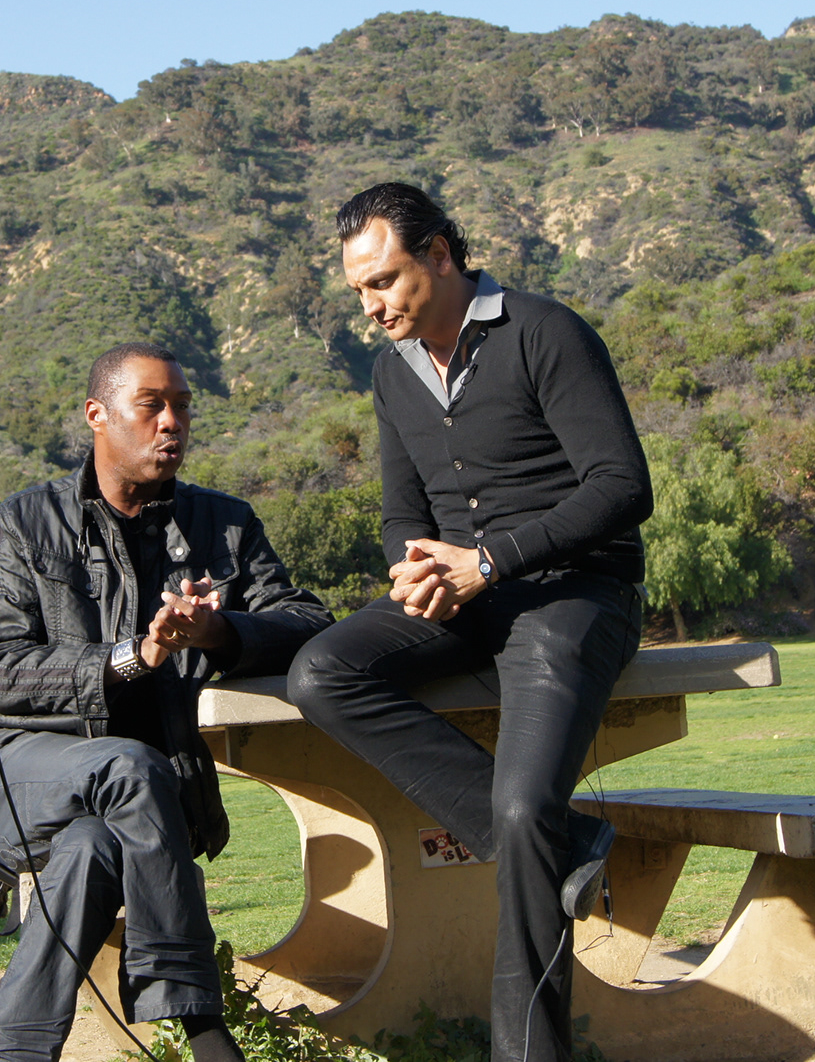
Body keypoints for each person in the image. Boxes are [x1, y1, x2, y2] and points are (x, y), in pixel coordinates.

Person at [284, 184, 653, 1062]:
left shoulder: (543, 332)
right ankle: (565, 844)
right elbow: (398, 512)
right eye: (359, 292)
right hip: (462, 599)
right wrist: (412, 569)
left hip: (575, 594)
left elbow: (623, 486)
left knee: (523, 809)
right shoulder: (391, 371)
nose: (371, 307)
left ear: (442, 255)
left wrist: (489, 563)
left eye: (385, 281)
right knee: (319, 673)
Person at [0, 342, 332, 1062]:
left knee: (92, 851)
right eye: (153, 405)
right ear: (98, 415)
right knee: (127, 766)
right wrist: (136, 655)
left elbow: (309, 622)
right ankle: (204, 1030)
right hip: (25, 772)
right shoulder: (26, 521)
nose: (173, 423)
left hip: (154, 809)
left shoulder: (223, 524)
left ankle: (1, 1055)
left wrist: (220, 629)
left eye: (184, 407)